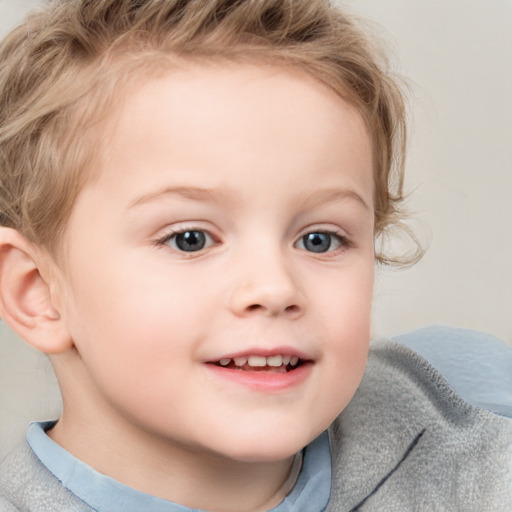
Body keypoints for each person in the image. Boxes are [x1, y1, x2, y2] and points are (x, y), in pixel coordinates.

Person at [0, 0, 510, 510]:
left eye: (320, 239)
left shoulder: (467, 410)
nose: (274, 287)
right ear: (38, 291)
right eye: (190, 239)